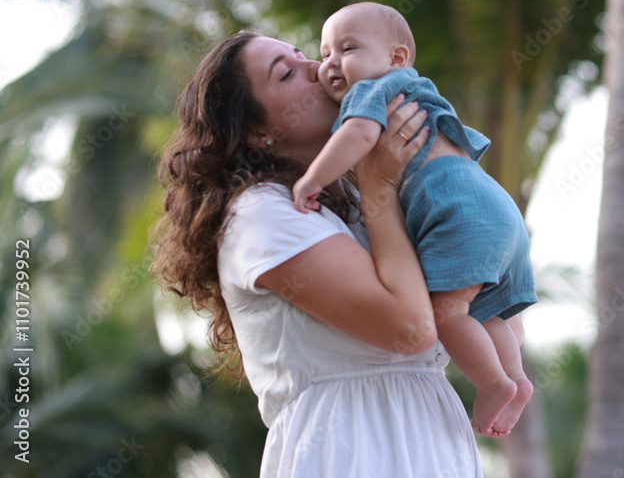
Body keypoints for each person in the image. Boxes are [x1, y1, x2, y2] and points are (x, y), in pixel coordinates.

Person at [151, 30, 482, 477]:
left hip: (431, 438)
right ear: (258, 132)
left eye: (304, 56)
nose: (318, 68)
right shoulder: (261, 213)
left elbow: (483, 297)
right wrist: (380, 184)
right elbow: (413, 327)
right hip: (345, 447)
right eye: (286, 74)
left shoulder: (354, 197)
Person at [292, 2, 536, 437]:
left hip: (457, 212)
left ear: (397, 57)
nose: (330, 63)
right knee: (487, 312)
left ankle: (493, 383)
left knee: (447, 313)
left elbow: (359, 134)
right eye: (325, 53)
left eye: (347, 49)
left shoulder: (372, 90)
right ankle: (516, 378)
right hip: (496, 207)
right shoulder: (418, 89)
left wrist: (313, 179)